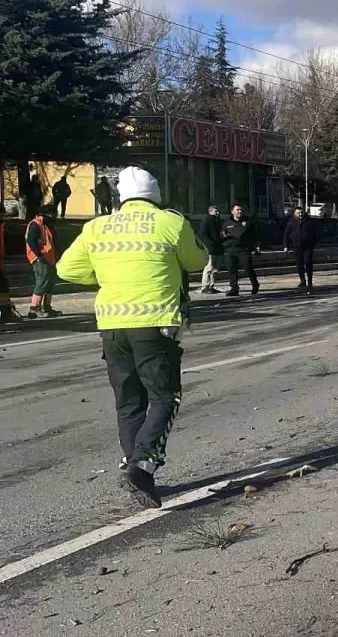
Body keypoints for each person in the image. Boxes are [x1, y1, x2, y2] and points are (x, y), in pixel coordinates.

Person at [57, 166, 208, 508]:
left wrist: (107, 273)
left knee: (128, 402)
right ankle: (142, 464)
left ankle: (138, 472)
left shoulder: (97, 227)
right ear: (156, 196)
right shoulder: (170, 222)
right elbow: (197, 259)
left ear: (120, 197)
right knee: (166, 396)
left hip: (111, 325)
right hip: (155, 324)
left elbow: (67, 269)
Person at [25, 205, 62, 319]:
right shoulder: (35, 224)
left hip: (49, 259)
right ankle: (34, 308)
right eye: (52, 214)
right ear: (45, 214)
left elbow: (53, 241)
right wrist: (39, 255)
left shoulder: (47, 225)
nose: (54, 216)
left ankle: (47, 307)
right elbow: (31, 240)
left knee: (49, 284)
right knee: (41, 283)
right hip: (40, 259)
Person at [221, 203, 259, 297]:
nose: (239, 211)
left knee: (248, 268)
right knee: (232, 270)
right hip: (231, 249)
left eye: (240, 210)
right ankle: (234, 288)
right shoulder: (227, 222)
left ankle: (255, 284)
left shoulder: (247, 221)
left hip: (243, 249)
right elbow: (221, 234)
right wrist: (224, 235)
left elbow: (255, 235)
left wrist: (256, 246)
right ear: (232, 211)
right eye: (237, 210)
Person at [283, 206, 320, 292]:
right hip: (296, 246)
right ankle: (303, 280)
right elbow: (286, 233)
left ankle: (310, 282)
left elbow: (316, 233)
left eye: (301, 213)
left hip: (308, 246)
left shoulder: (309, 221)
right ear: (294, 214)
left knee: (308, 263)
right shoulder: (291, 222)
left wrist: (313, 242)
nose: (300, 214)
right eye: (298, 213)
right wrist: (286, 245)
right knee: (299, 264)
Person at [197, 205, 224, 294]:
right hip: (211, 247)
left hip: (218, 247)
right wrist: (210, 244)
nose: (218, 213)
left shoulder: (218, 221)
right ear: (210, 211)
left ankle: (211, 285)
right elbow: (202, 234)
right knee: (209, 267)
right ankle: (205, 286)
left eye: (218, 211)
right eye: (216, 211)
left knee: (215, 268)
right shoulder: (207, 220)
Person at [0, 210, 21, 325]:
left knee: (3, 290)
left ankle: (6, 313)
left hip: (1, 263)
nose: (3, 217)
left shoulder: (2, 227)